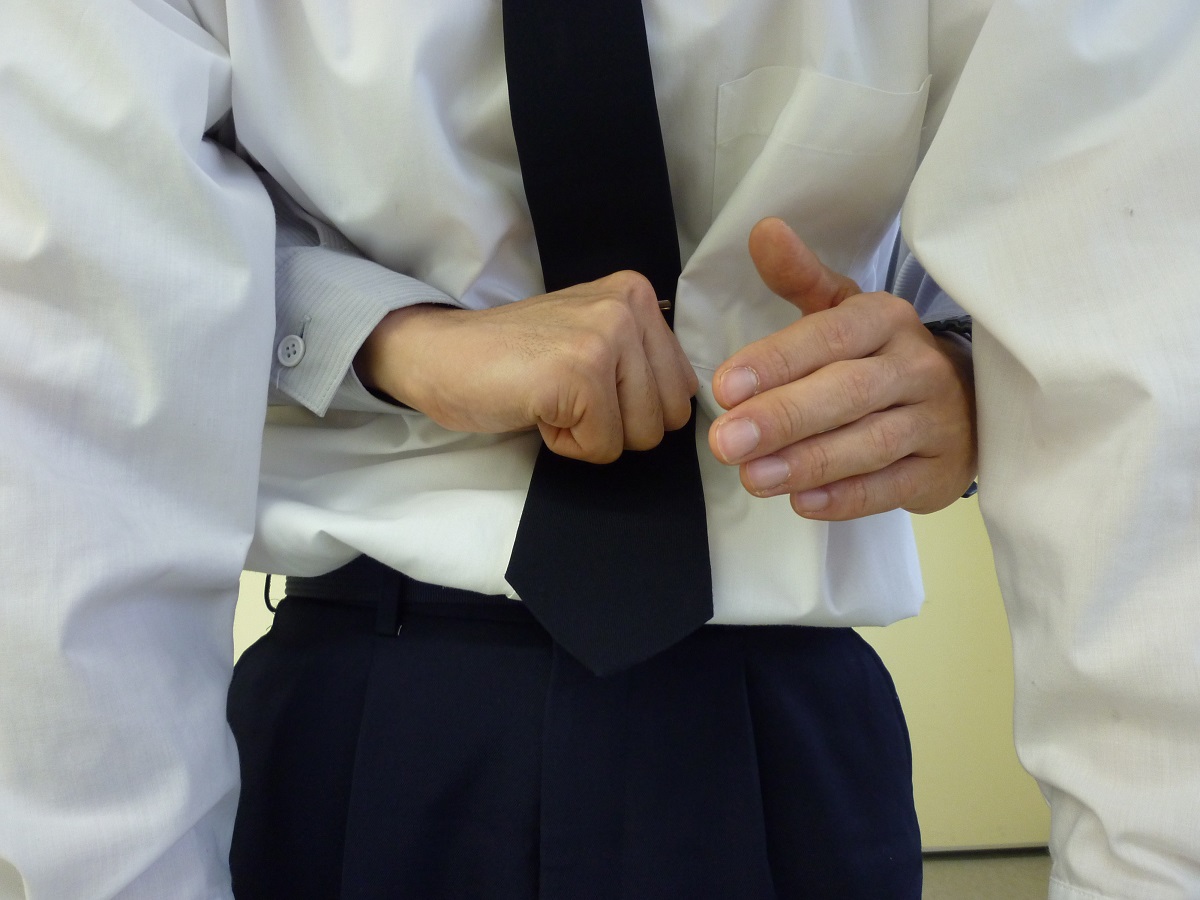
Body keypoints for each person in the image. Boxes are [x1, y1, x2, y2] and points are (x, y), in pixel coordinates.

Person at [222, 3, 980, 899]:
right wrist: (398, 339)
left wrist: (966, 378)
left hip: (778, 720)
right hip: (367, 696)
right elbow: (132, 237)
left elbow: (1059, 223)